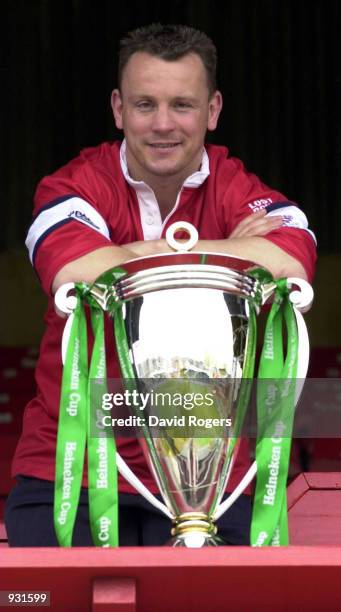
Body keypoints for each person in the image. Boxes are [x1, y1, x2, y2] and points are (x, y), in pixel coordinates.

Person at [5, 23, 316, 546]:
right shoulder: (70, 188)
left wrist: (121, 254)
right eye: (145, 104)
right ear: (118, 108)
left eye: (182, 105)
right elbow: (73, 270)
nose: (163, 124)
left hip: (216, 479)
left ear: (213, 110)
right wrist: (225, 250)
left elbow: (292, 265)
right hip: (73, 471)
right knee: (31, 602)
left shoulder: (241, 188)